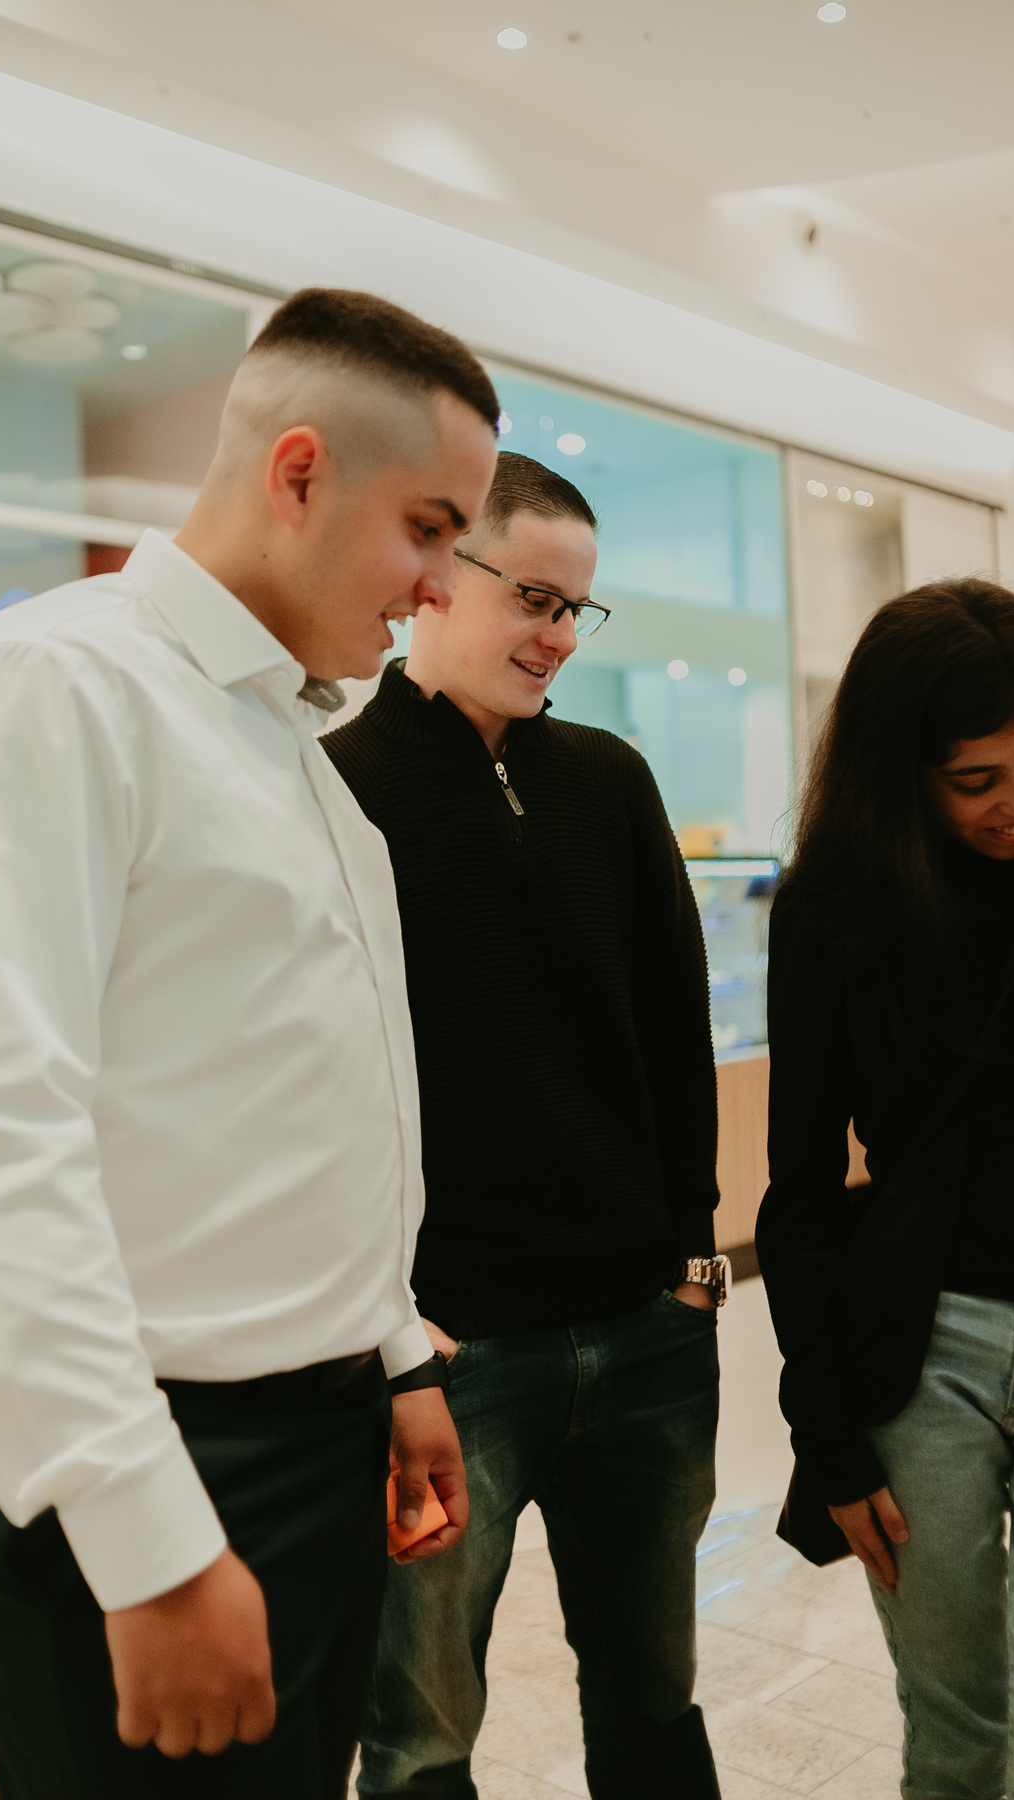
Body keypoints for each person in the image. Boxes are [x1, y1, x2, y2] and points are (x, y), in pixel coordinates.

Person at [0, 288, 501, 1799]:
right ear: (299, 472)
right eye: (429, 529)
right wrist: (149, 1545)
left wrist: (392, 1354)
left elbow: (292, 1113)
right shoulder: (57, 683)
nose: (440, 585)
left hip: (315, 1434)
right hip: (147, 1454)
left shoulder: (292, 741)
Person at [321, 451, 725, 1800]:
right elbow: (317, 1086)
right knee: (421, 1734)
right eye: (535, 600)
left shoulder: (610, 781)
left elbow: (672, 1033)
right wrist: (391, 1329)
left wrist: (691, 1261)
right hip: (453, 1358)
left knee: (654, 1695)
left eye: (576, 610)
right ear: (440, 576)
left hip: (645, 1335)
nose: (558, 637)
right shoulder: (333, 789)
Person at [758, 579, 1014, 1800]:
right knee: (957, 1728)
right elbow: (802, 1190)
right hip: (921, 1356)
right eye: (978, 779)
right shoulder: (835, 912)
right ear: (901, 773)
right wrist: (826, 1437)